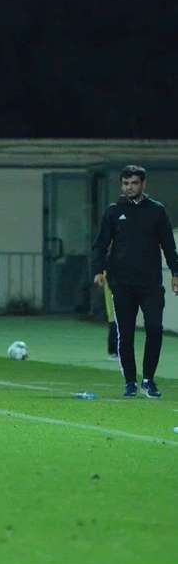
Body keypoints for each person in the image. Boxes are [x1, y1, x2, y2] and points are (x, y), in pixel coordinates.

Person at [91, 165, 178, 398]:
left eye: (134, 183)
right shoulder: (113, 211)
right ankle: (130, 382)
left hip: (150, 284)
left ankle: (149, 379)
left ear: (143, 184)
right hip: (121, 283)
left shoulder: (157, 211)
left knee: (154, 329)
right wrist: (99, 269)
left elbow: (169, 245)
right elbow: (101, 244)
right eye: (126, 183)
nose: (129, 187)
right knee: (125, 333)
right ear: (122, 185)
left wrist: (176, 273)